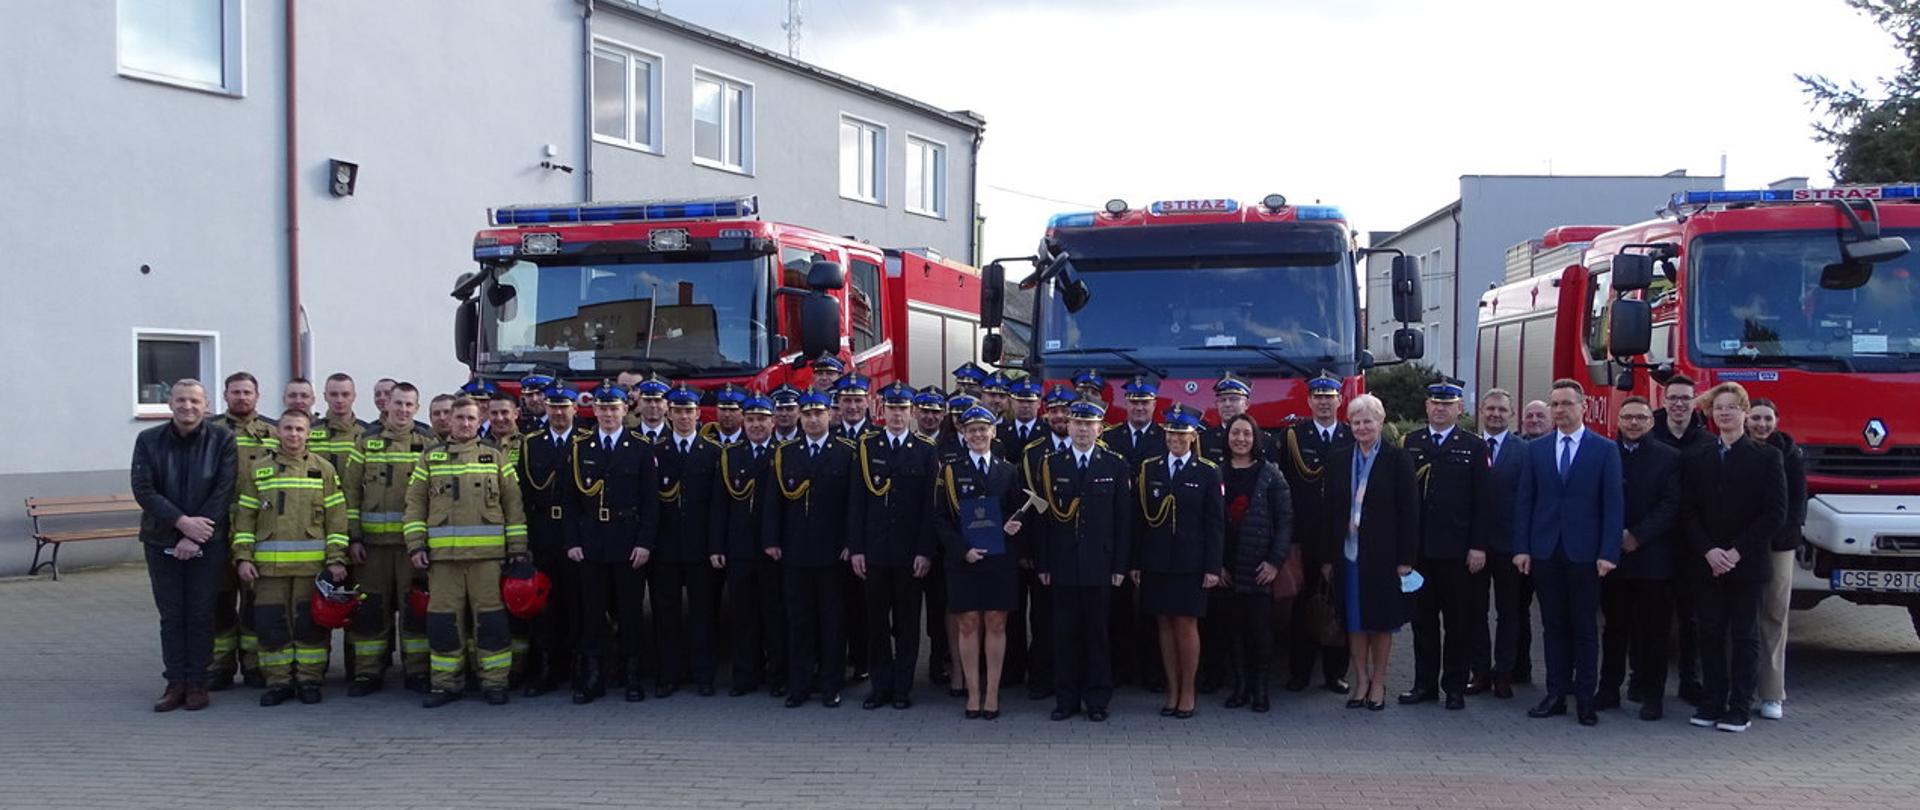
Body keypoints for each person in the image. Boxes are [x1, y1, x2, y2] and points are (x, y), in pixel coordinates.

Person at [404, 396, 531, 708]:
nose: (464, 423)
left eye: (470, 418)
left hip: (487, 560)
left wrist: (516, 550)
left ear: (480, 420)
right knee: (443, 623)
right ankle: (445, 685)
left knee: (491, 623)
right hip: (442, 561)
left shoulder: (495, 456)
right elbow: (415, 505)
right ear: (450, 420)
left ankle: (495, 683)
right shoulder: (429, 458)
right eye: (458, 418)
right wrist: (416, 544)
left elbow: (513, 505)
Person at [1514, 379, 1624, 727]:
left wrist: (1609, 552)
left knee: (1585, 628)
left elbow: (1613, 505)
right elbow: (1525, 502)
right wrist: (1522, 548)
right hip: (1546, 550)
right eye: (1555, 404)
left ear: (1583, 407)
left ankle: (1585, 698)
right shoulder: (1536, 449)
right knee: (1553, 626)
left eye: (1567, 404)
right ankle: (1555, 693)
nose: (1560, 410)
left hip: (1586, 554)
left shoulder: (1604, 449)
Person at [1680, 382, 1788, 733]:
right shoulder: (1697, 457)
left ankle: (1739, 706)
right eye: (1718, 408)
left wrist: (1737, 551)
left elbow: (1774, 513)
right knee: (1709, 633)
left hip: (1747, 563)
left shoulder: (1767, 457)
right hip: (1707, 562)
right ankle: (1712, 701)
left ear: (1744, 411)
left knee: (1744, 636)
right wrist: (1708, 550)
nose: (1724, 413)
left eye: (1731, 407)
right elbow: (1688, 511)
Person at [230, 409, 351, 706]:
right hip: (269, 570)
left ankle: (309, 680)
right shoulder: (259, 470)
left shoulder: (323, 470)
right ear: (278, 432)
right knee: (272, 625)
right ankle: (279, 682)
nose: (293, 434)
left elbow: (337, 520)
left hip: (311, 569)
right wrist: (243, 557)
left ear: (308, 433)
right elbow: (245, 518)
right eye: (288, 429)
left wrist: (337, 559)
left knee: (309, 627)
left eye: (299, 429)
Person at [132, 380, 237, 712]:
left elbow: (224, 488)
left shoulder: (222, 439)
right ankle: (174, 682)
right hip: (160, 538)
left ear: (206, 405)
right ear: (170, 403)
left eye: (194, 400)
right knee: (172, 614)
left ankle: (197, 684)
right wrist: (180, 524)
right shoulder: (148, 440)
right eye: (180, 400)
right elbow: (144, 489)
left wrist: (195, 533)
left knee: (200, 613)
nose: (187, 406)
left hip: (208, 540)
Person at [1035, 399, 1132, 722]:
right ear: (1070, 427)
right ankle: (1066, 699)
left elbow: (1123, 521)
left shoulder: (1115, 465)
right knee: (1064, 635)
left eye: (1088, 425)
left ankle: (1097, 699)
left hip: (1100, 565)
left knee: (1097, 636)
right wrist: (1044, 564)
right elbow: (1044, 520)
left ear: (1099, 429)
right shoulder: (1052, 464)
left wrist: (1120, 566)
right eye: (1077, 424)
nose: (1081, 430)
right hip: (1062, 565)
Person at [1399, 377, 1492, 711]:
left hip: (1457, 552)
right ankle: (1423, 685)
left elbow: (1484, 502)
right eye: (1435, 404)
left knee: (1458, 622)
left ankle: (1454, 686)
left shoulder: (1474, 446)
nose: (1440, 409)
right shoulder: (1410, 442)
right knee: (1422, 622)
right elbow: (1402, 501)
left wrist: (1478, 546)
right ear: (1426, 407)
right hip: (1420, 552)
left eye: (1447, 404)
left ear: (1459, 409)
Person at [1321, 393, 1419, 712]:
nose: (1362, 427)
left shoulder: (1397, 459)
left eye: (1368, 421)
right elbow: (1331, 511)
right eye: (1357, 421)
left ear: (1381, 422)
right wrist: (1326, 558)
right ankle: (1360, 680)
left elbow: (1409, 512)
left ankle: (1379, 682)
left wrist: (1406, 560)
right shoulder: (1338, 459)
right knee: (1355, 620)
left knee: (1381, 621)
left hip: (1384, 557)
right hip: (1348, 555)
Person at [563, 385, 658, 704]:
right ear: (595, 412)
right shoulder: (580, 447)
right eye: (602, 409)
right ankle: (594, 677)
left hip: (627, 540)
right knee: (592, 614)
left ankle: (632, 676)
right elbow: (570, 502)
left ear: (624, 411)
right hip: (591, 543)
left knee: (630, 613)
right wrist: (573, 542)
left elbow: (650, 503)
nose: (607, 414)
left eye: (613, 409)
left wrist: (644, 543)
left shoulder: (641, 448)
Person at [847, 382, 939, 710]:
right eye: (892, 408)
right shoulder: (867, 447)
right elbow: (856, 502)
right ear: (880, 410)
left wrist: (924, 551)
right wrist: (856, 548)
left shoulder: (926, 450)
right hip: (874, 553)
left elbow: (930, 508)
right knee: (876, 624)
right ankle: (880, 686)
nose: (897, 415)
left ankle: (902, 688)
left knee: (907, 625)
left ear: (912, 413)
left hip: (909, 555)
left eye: (903, 409)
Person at [762, 391, 857, 708]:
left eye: (819, 413)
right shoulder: (786, 453)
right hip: (795, 551)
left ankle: (831, 684)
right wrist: (772, 540)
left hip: (832, 552)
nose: (813, 419)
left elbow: (853, 506)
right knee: (798, 620)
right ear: (800, 418)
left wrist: (850, 542)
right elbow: (773, 502)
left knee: (833, 621)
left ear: (830, 416)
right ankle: (799, 684)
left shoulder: (847, 452)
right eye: (808, 414)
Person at [341, 382, 436, 696]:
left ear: (417, 408)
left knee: (415, 612)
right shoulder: (365, 442)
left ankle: (418, 672)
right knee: (370, 612)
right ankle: (368, 673)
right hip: (372, 549)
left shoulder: (428, 442)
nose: (403, 410)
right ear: (387, 405)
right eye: (398, 404)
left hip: (411, 549)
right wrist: (353, 538)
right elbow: (351, 493)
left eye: (409, 405)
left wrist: (423, 543)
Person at [1132, 404, 1224, 719]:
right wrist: (1135, 561)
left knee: (1186, 625)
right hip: (1156, 561)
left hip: (1191, 562)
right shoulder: (1149, 469)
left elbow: (1215, 524)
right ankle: (1171, 688)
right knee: (1164, 625)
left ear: (1193, 435)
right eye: (1171, 432)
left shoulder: (1208, 471)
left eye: (1182, 433)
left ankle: (1188, 690)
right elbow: (1140, 520)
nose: (1175, 439)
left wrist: (1213, 567)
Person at [935, 406, 1026, 719]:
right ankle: (972, 694)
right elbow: (941, 518)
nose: (977, 435)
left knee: (996, 623)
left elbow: (1017, 511)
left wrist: (1015, 524)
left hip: (999, 560)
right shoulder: (950, 471)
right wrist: (963, 551)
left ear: (993, 432)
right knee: (969, 622)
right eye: (971, 430)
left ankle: (992, 694)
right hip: (965, 560)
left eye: (982, 429)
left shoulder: (1008, 471)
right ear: (963, 434)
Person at [1597, 395, 1682, 721]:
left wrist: (1638, 535)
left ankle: (1652, 695)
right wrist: (1615, 535)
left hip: (1653, 560)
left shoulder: (1670, 457)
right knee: (1614, 630)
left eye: (1641, 418)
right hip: (1613, 558)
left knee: (1654, 633)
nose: (1634, 423)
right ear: (1618, 421)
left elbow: (1671, 505)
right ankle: (1608, 690)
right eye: (1628, 417)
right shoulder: (1606, 453)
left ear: (1651, 422)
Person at [1281, 371, 1352, 694]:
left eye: (1330, 397)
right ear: (1308, 401)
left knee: (1340, 605)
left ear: (1340, 400)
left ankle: (1336, 673)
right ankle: (1300, 672)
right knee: (1304, 608)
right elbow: (1283, 489)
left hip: (1343, 537)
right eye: (1318, 397)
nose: (1324, 402)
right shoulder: (1294, 437)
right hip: (1305, 537)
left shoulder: (1352, 436)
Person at [650, 385, 723, 697]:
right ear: (669, 412)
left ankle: (703, 675)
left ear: (698, 414)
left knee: (702, 615)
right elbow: (651, 505)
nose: (683, 417)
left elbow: (718, 506)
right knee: (665, 615)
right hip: (665, 549)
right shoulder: (656, 452)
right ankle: (669, 675)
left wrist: (715, 546)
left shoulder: (712, 452)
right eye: (677, 411)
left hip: (699, 548)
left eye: (688, 411)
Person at [516, 385, 588, 698]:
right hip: (543, 530)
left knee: (577, 604)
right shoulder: (531, 444)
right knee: (544, 606)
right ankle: (546, 669)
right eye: (553, 407)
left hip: (576, 534)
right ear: (545, 407)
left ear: (575, 408)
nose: (559, 413)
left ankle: (577, 668)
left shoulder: (585, 441)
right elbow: (523, 494)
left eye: (565, 407)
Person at [712, 394, 786, 696]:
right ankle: (745, 675)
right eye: (751, 419)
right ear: (744, 421)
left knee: (775, 615)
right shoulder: (731, 455)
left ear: (772, 422)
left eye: (761, 419)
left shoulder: (783, 454)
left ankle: (777, 675)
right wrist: (716, 545)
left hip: (773, 550)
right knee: (743, 616)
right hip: (739, 547)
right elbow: (719, 506)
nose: (756, 425)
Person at [1218, 413, 1292, 712]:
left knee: (1260, 632)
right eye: (1235, 433)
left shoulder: (1271, 474)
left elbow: (1285, 521)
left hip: (1259, 568)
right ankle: (1240, 688)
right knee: (1232, 632)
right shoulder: (1215, 472)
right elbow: (1209, 523)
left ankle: (1260, 690)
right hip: (1228, 568)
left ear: (1255, 438)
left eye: (1247, 434)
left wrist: (1275, 562)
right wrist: (1216, 565)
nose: (1240, 439)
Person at [1010, 384, 1075, 697]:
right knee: (1042, 616)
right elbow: (1026, 496)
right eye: (1056, 411)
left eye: (1066, 411)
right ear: (1046, 413)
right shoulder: (1033, 451)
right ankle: (1042, 676)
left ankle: (1073, 676)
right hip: (1043, 544)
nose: (1061, 417)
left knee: (1075, 617)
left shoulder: (1086, 444)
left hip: (1078, 546)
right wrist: (1048, 508)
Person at [212, 371, 276, 689]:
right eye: (235, 392)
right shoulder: (210, 430)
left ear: (257, 395)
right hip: (218, 532)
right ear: (225, 396)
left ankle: (254, 666)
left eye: (247, 392)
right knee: (220, 603)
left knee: (254, 604)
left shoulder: (274, 432)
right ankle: (219, 667)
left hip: (257, 532)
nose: (241, 397)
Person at [1651, 373, 1711, 705]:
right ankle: (1645, 682)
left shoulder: (1704, 442)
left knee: (1691, 619)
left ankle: (1691, 681)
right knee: (1652, 620)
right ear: (1663, 401)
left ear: (1694, 402)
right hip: (1656, 544)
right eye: (1673, 398)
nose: (1678, 404)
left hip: (1692, 546)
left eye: (1685, 399)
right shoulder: (1650, 435)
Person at [1100, 375, 1164, 688]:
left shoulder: (1166, 437)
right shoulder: (1110, 439)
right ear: (1126, 403)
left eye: (1145, 402)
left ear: (1155, 404)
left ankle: (1152, 672)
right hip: (1117, 529)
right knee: (1119, 607)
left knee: (1153, 607)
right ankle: (1121, 669)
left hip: (1155, 528)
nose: (1139, 407)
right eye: (1135, 402)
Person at [1749, 398, 1807, 722]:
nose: (1761, 424)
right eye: (1755, 417)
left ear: (1777, 420)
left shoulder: (1791, 454)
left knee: (1774, 615)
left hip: (1778, 546)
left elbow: (1798, 503)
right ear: (1746, 420)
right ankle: (1737, 687)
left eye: (1767, 418)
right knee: (1740, 618)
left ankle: (1772, 694)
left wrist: (1783, 537)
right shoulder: (1735, 451)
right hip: (1742, 545)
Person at [1472, 388, 1529, 699]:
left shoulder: (1524, 451)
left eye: (1502, 410)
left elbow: (1527, 502)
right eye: (1490, 408)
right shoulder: (1468, 447)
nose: (1495, 414)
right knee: (1475, 612)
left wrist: (1523, 547)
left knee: (1509, 612)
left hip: (1510, 547)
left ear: (1512, 415)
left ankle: (1504, 672)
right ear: (1481, 410)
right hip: (1476, 547)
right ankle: (1479, 671)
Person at [911, 387, 956, 689]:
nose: (929, 416)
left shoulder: (952, 447)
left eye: (935, 411)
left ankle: (940, 660)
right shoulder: (910, 445)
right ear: (915, 413)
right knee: (911, 608)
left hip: (943, 544)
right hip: (910, 541)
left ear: (943, 414)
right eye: (924, 411)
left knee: (941, 606)